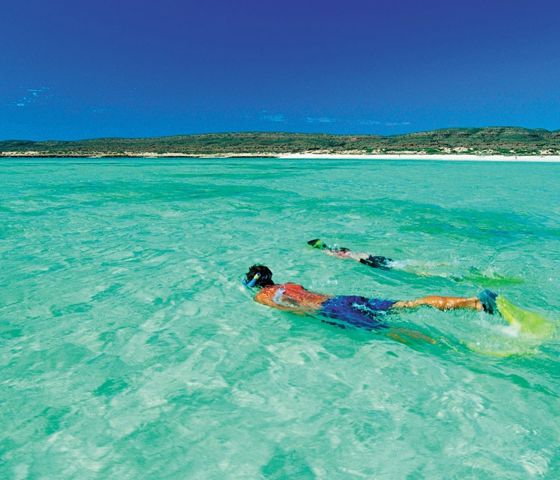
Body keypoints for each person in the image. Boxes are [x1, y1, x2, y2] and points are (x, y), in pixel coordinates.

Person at [243, 265, 499, 334]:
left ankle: (439, 344)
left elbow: (293, 309)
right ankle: (475, 303)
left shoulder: (261, 296)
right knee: (408, 304)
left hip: (331, 310)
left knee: (391, 331)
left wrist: (318, 318)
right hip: (342, 298)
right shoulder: (291, 284)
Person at [307, 238, 393, 270]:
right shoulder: (350, 253)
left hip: (373, 260)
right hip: (375, 258)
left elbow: (360, 260)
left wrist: (371, 266)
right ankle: (319, 245)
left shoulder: (350, 254)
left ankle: (319, 245)